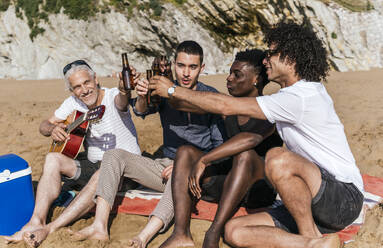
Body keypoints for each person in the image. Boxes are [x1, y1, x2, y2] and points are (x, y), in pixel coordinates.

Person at [150, 21, 364, 248]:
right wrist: (163, 95)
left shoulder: (300, 97)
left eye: (271, 53)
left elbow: (224, 106)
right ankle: (312, 244)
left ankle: (308, 234)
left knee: (277, 158)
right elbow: (211, 106)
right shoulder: (290, 96)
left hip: (342, 198)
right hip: (312, 200)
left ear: (290, 58)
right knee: (234, 231)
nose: (265, 60)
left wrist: (173, 89)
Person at [71, 41, 227, 246]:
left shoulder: (210, 97)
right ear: (173, 65)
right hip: (163, 165)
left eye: (193, 67)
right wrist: (144, 95)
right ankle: (100, 226)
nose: (186, 73)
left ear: (202, 68)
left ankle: (143, 237)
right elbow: (140, 110)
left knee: (178, 178)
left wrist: (185, 165)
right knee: (114, 155)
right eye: (181, 66)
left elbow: (219, 148)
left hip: (195, 169)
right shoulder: (166, 90)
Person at [2, 60, 141, 247]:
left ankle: (50, 228)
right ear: (71, 91)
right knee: (53, 158)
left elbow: (122, 101)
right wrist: (52, 129)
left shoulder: (113, 96)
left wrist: (124, 90)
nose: (84, 90)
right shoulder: (73, 103)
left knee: (103, 172)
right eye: (77, 87)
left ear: (96, 79)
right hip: (93, 165)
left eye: (87, 83)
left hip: (124, 168)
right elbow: (43, 125)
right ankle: (36, 221)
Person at [159, 49, 283, 248]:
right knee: (185, 151)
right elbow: (182, 104)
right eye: (230, 72)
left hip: (258, 190)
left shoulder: (270, 110)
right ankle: (181, 234)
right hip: (226, 185)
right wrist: (165, 84)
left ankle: (213, 233)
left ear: (256, 79)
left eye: (237, 75)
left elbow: (249, 139)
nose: (229, 78)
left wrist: (205, 159)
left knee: (245, 155)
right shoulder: (229, 107)